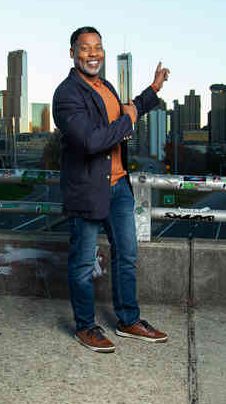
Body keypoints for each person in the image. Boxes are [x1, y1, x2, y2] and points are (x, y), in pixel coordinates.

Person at [53, 26, 170, 353]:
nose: (93, 54)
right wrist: (129, 120)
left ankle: (128, 320)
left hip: (118, 186)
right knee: (83, 264)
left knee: (127, 255)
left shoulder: (105, 87)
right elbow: (92, 141)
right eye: (85, 48)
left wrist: (153, 89)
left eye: (98, 47)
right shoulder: (67, 94)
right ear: (73, 53)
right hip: (88, 190)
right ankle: (86, 327)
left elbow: (126, 112)